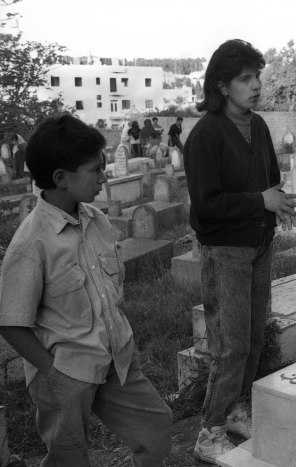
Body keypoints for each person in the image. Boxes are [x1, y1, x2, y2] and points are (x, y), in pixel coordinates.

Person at [0, 114, 172, 467]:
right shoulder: (32, 242)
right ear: (61, 178)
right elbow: (11, 322)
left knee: (155, 428)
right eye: (95, 170)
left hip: (117, 359)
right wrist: (53, 372)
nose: (103, 176)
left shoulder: (97, 220)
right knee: (69, 458)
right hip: (65, 373)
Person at [184, 39, 296, 464]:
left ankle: (235, 409)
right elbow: (207, 205)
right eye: (245, 79)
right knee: (230, 345)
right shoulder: (205, 136)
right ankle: (208, 432)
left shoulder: (258, 126)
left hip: (258, 245)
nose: (255, 86)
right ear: (220, 86)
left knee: (253, 338)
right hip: (226, 252)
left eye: (257, 77)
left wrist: (279, 203)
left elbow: (267, 181)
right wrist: (262, 203)